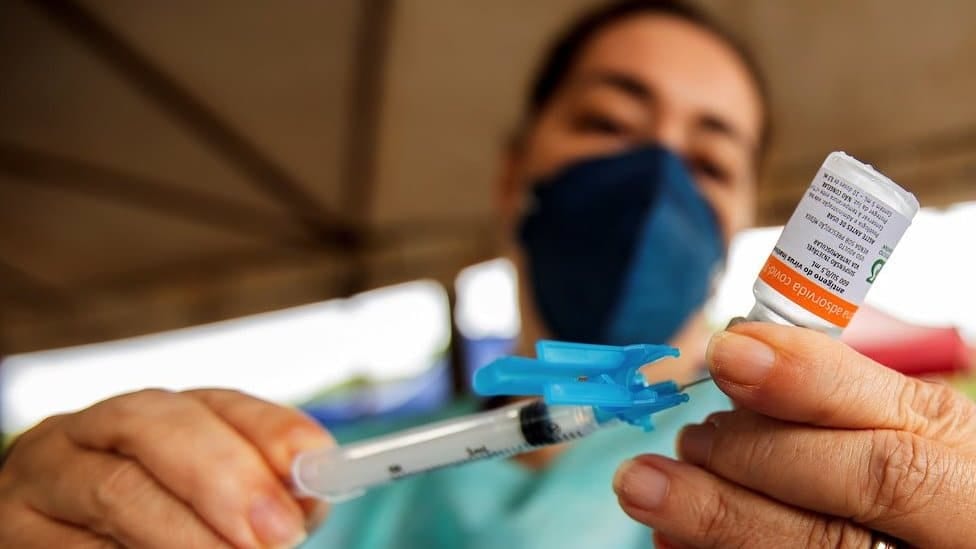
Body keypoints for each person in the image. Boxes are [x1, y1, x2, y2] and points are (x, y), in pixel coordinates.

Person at [1, 1, 973, 548]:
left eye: (709, 160)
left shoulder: (811, 472)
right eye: (608, 123)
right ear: (514, 177)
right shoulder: (300, 479)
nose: (654, 183)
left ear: (738, 219)